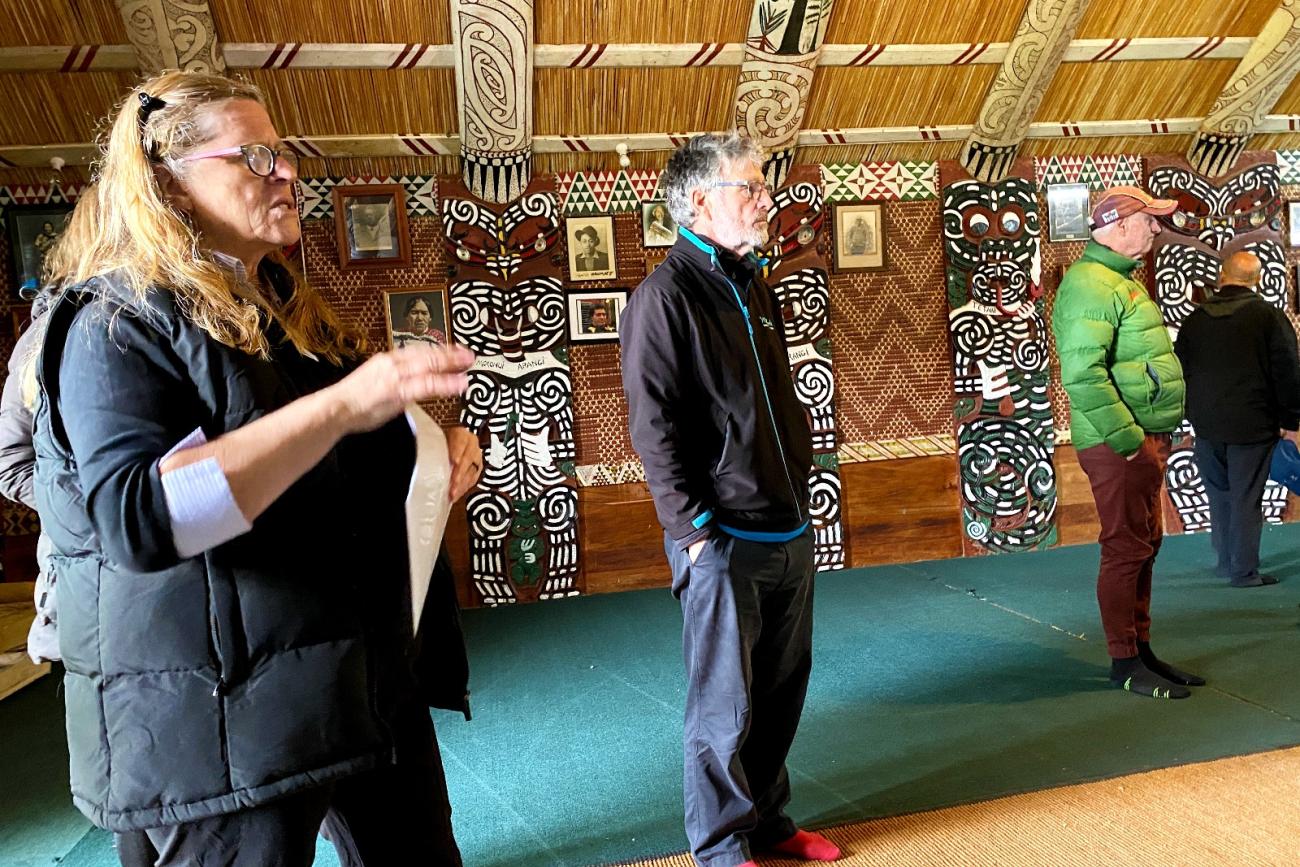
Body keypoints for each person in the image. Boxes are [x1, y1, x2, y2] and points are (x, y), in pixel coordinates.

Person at [31, 71, 481, 867]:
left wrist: (433, 457)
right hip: (219, 721)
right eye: (258, 156)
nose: (288, 173)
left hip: (354, 678)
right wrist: (345, 406)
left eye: (286, 155)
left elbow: (325, 462)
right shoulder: (113, 325)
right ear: (169, 179)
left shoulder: (281, 310)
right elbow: (144, 519)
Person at [621, 133, 841, 867]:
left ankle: (770, 822)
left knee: (781, 692)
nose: (765, 199)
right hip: (722, 540)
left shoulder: (754, 285)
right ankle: (719, 843)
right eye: (749, 187)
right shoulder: (663, 297)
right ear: (698, 200)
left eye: (762, 185)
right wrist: (693, 534)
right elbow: (653, 429)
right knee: (724, 705)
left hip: (788, 529)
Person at [1052, 185, 1204, 700]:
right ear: (1118, 225)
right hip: (1120, 444)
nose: (1156, 228)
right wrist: (1129, 441)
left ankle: (1141, 651)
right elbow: (1083, 375)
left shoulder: (1116, 280)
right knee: (1124, 549)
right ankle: (1124, 661)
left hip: (1139, 440)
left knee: (1143, 546)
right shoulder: (1092, 285)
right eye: (1149, 220)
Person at [1175, 251, 1300, 588]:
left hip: (1207, 424)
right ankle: (1244, 572)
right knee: (1247, 496)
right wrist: (1291, 421)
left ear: (1222, 275)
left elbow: (1180, 371)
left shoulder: (1195, 320)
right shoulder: (1268, 317)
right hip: (1253, 424)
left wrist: (1190, 417)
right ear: (1256, 280)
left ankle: (1226, 561)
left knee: (1219, 494)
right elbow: (1287, 371)